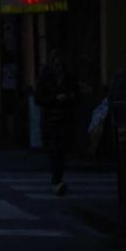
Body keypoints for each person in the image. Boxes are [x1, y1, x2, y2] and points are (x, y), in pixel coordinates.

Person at [34, 49, 78, 195]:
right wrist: (54, 99)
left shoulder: (69, 77)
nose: (59, 66)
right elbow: (38, 98)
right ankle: (57, 180)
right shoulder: (45, 77)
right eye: (56, 63)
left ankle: (58, 178)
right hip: (51, 119)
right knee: (54, 150)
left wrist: (70, 97)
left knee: (61, 151)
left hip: (64, 119)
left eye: (61, 64)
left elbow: (76, 94)